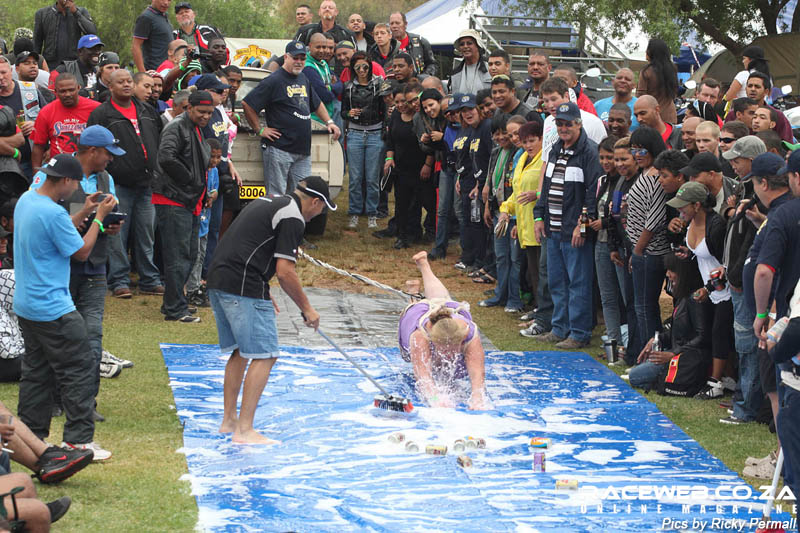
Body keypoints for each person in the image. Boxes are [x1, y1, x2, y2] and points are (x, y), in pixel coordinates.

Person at [207, 176, 331, 443]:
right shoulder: (293, 217)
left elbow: (246, 244)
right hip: (242, 284)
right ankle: (245, 430)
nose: (319, 214)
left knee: (241, 351)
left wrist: (261, 288)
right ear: (315, 202)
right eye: (323, 208)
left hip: (219, 279)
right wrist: (307, 309)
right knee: (266, 355)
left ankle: (229, 421)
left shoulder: (272, 200)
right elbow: (285, 272)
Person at [14, 153, 117, 459]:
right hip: (53, 308)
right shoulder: (53, 213)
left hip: (27, 305)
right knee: (80, 369)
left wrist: (83, 211)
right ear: (68, 181)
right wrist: (98, 219)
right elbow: (82, 252)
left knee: (36, 373)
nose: (77, 190)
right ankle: (79, 441)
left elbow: (56, 233)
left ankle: (31, 439)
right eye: (76, 184)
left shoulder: (27, 200)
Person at [30, 124, 127, 417]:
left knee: (92, 335)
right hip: (61, 269)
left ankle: (85, 402)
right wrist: (89, 218)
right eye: (108, 153)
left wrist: (110, 225)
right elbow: (38, 213)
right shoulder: (53, 173)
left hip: (95, 266)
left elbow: (105, 217)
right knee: (59, 334)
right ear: (93, 151)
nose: (111, 158)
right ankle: (55, 398)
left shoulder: (107, 178)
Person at [87, 69, 164, 300]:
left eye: (129, 81)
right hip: (118, 183)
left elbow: (159, 140)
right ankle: (119, 280)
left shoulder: (147, 110)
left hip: (147, 183)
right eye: (121, 82)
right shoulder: (102, 114)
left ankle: (149, 279)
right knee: (117, 235)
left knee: (146, 233)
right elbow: (93, 146)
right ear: (110, 87)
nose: (127, 85)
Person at [533, 102, 602, 348]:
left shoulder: (590, 153)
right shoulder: (555, 149)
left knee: (579, 283)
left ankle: (579, 333)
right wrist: (538, 217)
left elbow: (594, 194)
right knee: (557, 282)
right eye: (559, 124)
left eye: (568, 124)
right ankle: (559, 327)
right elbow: (545, 188)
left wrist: (582, 226)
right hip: (553, 229)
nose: (563, 128)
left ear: (578, 124)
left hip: (574, 231)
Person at [243, 41, 340, 196]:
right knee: (276, 196)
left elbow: (317, 103)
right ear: (286, 57)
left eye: (302, 58)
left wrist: (330, 122)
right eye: (295, 58)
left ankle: (294, 214)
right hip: (279, 148)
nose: (299, 62)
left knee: (302, 195)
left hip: (302, 150)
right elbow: (248, 104)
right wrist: (259, 129)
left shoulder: (303, 78)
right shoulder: (273, 80)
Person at [668, 181, 733, 400]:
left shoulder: (716, 226)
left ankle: (715, 383)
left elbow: (727, 264)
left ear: (697, 205)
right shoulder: (689, 223)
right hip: (709, 289)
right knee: (714, 332)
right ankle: (727, 377)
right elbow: (701, 254)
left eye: (683, 206)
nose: (680, 211)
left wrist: (708, 287)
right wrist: (688, 253)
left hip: (725, 290)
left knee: (719, 333)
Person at [153, 90, 213, 323]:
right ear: (189, 108)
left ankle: (174, 301)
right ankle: (175, 308)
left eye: (209, 112)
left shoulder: (194, 127)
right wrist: (190, 179)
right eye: (201, 112)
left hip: (188, 199)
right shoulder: (177, 127)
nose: (206, 116)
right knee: (178, 255)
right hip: (174, 198)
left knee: (189, 253)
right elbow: (166, 157)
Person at [400, 251, 488, 409]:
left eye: (453, 348)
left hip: (445, 312)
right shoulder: (420, 336)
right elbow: (423, 378)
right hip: (417, 317)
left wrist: (477, 397)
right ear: (433, 341)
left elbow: (478, 375)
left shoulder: (469, 333)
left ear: (461, 339)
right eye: (445, 349)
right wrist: (435, 399)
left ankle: (424, 265)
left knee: (442, 300)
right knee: (417, 306)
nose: (449, 354)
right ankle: (413, 294)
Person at [719, 135, 766, 424]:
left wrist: (735, 274)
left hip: (744, 279)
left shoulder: (757, 195)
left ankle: (747, 405)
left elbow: (751, 243)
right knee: (743, 343)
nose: (733, 165)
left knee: (747, 343)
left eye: (737, 160)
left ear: (752, 160)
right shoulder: (745, 189)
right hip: (737, 276)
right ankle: (744, 399)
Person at [629, 252, 708, 389]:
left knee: (635, 376)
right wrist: (657, 339)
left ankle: (664, 380)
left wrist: (673, 354)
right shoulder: (682, 296)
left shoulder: (695, 299)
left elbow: (702, 337)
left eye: (671, 270)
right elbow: (677, 331)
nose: (667, 274)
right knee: (639, 368)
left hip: (686, 359)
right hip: (677, 351)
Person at [626, 126, 670, 360]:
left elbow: (654, 220)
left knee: (645, 307)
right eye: (633, 150)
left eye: (642, 149)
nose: (637, 154)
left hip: (650, 252)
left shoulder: (656, 178)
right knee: (641, 306)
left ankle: (650, 358)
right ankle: (643, 355)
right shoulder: (645, 173)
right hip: (641, 250)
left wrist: (638, 251)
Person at [479, 113, 521, 311]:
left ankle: (515, 298)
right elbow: (490, 179)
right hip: (497, 211)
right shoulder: (496, 152)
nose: (501, 137)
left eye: (505, 133)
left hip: (513, 213)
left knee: (515, 259)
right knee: (501, 256)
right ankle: (500, 294)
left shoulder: (518, 153)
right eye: (496, 133)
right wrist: (488, 206)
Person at [385, 84, 434, 249]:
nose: (400, 105)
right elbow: (390, 139)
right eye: (397, 102)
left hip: (420, 167)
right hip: (401, 167)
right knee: (401, 203)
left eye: (404, 102)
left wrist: (428, 164)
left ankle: (419, 233)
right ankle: (402, 236)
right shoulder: (395, 116)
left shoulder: (421, 117)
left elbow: (431, 143)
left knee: (421, 202)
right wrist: (389, 158)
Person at [342, 51, 384, 230]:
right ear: (353, 68)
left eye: (365, 67)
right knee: (355, 178)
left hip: (375, 132)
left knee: (372, 178)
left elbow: (385, 109)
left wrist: (385, 130)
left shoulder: (379, 84)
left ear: (370, 66)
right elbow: (343, 111)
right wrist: (349, 113)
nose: (361, 70)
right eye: (357, 67)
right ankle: (354, 212)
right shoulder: (348, 87)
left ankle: (372, 212)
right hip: (355, 133)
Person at [587, 135, 623, 345]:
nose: (606, 162)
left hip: (619, 244)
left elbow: (620, 215)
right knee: (607, 295)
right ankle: (613, 339)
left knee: (625, 296)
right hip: (601, 242)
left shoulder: (624, 181)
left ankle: (626, 340)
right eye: (602, 158)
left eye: (611, 158)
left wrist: (604, 222)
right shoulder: (602, 180)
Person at [31, 73, 99, 168]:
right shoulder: (46, 112)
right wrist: (36, 173)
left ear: (78, 88)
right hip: (58, 169)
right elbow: (38, 146)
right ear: (55, 91)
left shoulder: (95, 109)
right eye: (62, 91)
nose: (67, 94)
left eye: (71, 90)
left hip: (89, 168)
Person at [0, 57, 53, 178]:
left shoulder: (30, 89)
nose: (1, 77)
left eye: (3, 72)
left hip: (35, 160)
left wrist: (36, 125)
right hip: (5, 163)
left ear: (11, 71)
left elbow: (50, 118)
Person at [186, 138, 220, 306]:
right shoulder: (197, 169)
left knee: (201, 254)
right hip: (195, 219)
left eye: (218, 157)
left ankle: (197, 283)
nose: (214, 160)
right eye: (212, 156)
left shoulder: (214, 171)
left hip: (206, 220)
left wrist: (213, 196)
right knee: (194, 254)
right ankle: (191, 288)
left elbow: (215, 190)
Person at [33, 0, 97, 69]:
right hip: (51, 65)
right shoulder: (42, 14)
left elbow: (92, 33)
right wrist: (36, 64)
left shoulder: (81, 11)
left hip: (74, 64)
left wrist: (76, 13)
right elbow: (37, 43)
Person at [636, 38, 678, 124]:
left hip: (653, 118)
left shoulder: (646, 71)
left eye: (647, 49)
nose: (645, 51)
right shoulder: (672, 69)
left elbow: (640, 96)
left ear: (651, 52)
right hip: (671, 116)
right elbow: (674, 93)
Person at [388, 12, 437, 76]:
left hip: (418, 80)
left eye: (397, 23)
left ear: (405, 24)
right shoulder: (385, 44)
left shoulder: (420, 41)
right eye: (391, 23)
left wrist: (424, 77)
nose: (394, 26)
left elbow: (432, 64)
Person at [132, 0, 174, 73]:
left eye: (169, 0)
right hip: (154, 72)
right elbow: (136, 46)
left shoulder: (164, 16)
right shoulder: (146, 17)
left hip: (167, 70)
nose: (166, 3)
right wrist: (143, 73)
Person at [449, 30, 491, 95]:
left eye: (469, 43)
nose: (465, 46)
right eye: (462, 44)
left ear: (478, 46)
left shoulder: (491, 67)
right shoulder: (454, 74)